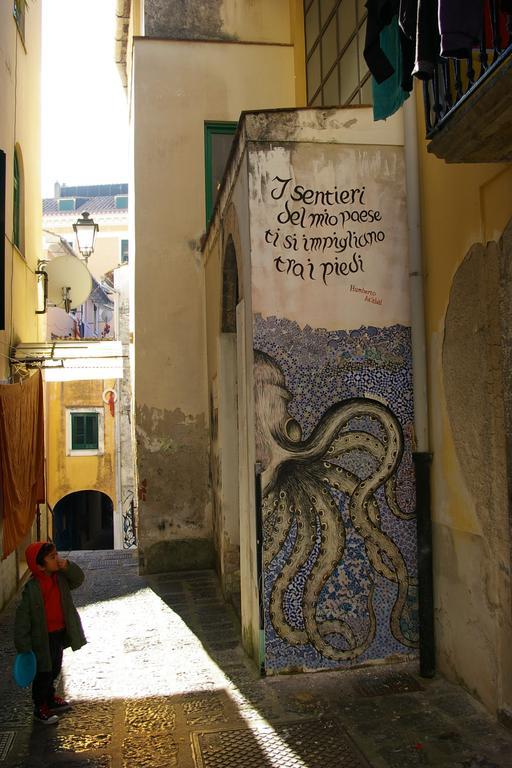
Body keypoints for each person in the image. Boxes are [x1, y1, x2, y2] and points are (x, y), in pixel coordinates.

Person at [14, 542, 87, 725]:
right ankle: (40, 707)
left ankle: (50, 698)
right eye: (52, 557)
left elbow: (78, 579)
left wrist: (67, 566)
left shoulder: (60, 578)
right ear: (39, 565)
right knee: (43, 672)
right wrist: (23, 645)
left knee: (55, 667)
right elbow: (23, 618)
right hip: (42, 639)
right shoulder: (32, 589)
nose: (57, 559)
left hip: (58, 633)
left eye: (56, 555)